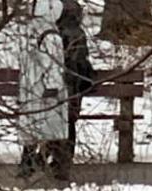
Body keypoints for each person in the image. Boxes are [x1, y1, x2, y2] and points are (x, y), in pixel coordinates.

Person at [17, 0, 68, 179]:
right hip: (46, 91)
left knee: (32, 130)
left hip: (30, 88)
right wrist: (53, 86)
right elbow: (54, 64)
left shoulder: (30, 31)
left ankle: (28, 163)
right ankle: (58, 166)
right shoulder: (51, 35)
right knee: (53, 129)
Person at [57, 0, 93, 177]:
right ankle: (63, 159)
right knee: (68, 122)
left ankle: (60, 160)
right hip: (73, 85)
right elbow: (82, 62)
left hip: (66, 84)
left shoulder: (60, 33)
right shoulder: (76, 32)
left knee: (63, 121)